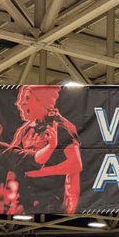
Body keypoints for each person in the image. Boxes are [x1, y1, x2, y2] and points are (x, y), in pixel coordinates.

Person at [11, 85, 82, 213]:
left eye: (27, 98)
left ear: (42, 102)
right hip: (25, 198)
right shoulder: (25, 129)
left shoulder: (60, 126)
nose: (20, 103)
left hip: (52, 202)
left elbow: (75, 164)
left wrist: (40, 172)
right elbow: (11, 157)